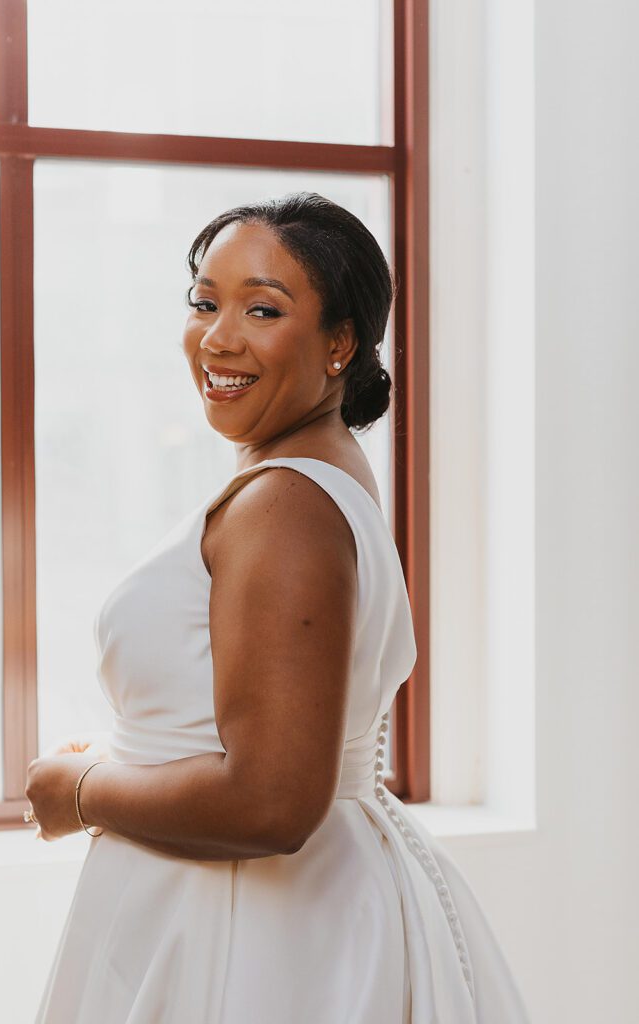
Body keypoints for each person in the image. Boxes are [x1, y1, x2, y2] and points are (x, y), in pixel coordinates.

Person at [27, 192, 531, 1023]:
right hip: (264, 910)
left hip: (248, 933)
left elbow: (270, 799)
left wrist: (78, 789)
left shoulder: (285, 507)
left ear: (340, 344)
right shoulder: (319, 477)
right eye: (203, 301)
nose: (218, 338)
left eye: (262, 308)